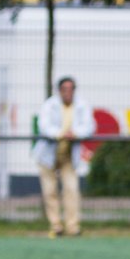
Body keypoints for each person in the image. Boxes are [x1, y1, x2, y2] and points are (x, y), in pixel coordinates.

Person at [33, 76, 95, 237]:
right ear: (59, 90)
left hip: (69, 155)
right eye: (64, 89)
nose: (68, 92)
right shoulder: (49, 105)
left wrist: (75, 134)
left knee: (71, 189)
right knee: (50, 191)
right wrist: (60, 134)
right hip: (48, 155)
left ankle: (72, 227)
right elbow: (44, 126)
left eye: (71, 89)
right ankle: (56, 226)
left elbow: (89, 126)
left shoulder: (82, 105)